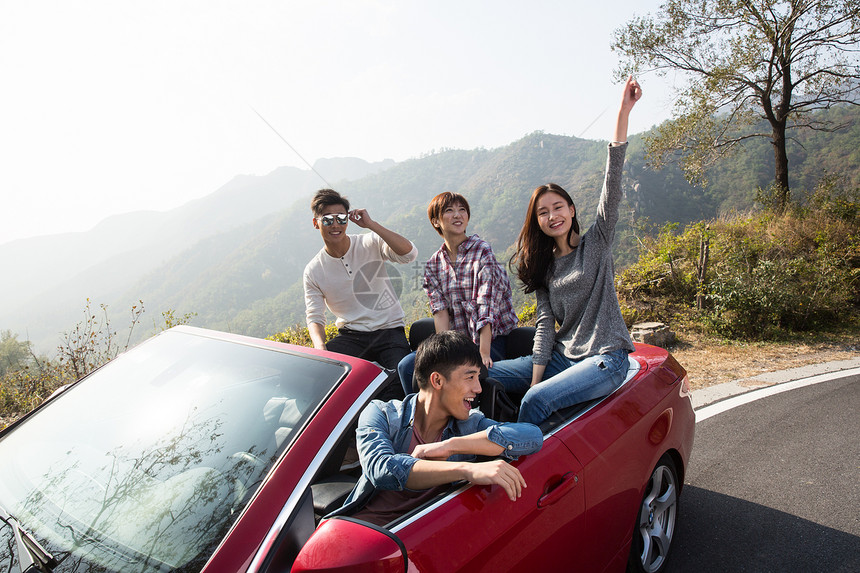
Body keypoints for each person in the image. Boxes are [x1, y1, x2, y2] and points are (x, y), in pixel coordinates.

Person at [487, 76, 643, 426]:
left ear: (572, 210)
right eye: (543, 212)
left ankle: (524, 466)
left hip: (605, 358)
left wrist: (623, 111)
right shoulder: (544, 266)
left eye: (558, 207)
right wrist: (535, 379)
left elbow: (612, 181)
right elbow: (544, 328)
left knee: (537, 401)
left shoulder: (597, 241)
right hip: (562, 356)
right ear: (537, 221)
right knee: (486, 376)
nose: (552, 216)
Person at [328, 331, 543, 527]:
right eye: (470, 377)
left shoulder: (468, 424)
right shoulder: (381, 414)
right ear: (437, 380)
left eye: (478, 378)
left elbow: (532, 436)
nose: (478, 389)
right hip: (361, 530)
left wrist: (450, 446)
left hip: (421, 537)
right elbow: (382, 469)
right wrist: (467, 470)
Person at [397, 192, 518, 395]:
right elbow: (440, 312)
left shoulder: (482, 251)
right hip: (460, 344)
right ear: (436, 221)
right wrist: (442, 352)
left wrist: (483, 353)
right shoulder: (434, 264)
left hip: (491, 339)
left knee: (461, 378)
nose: (458, 215)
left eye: (462, 210)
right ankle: (420, 420)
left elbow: (485, 306)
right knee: (408, 366)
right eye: (449, 211)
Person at [303, 188, 418, 399]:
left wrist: (371, 225)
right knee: (318, 382)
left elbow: (408, 254)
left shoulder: (369, 242)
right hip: (351, 336)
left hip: (389, 331)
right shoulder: (314, 270)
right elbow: (315, 316)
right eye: (328, 220)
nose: (335, 225)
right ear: (316, 223)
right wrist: (321, 348)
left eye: (341, 218)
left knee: (400, 382)